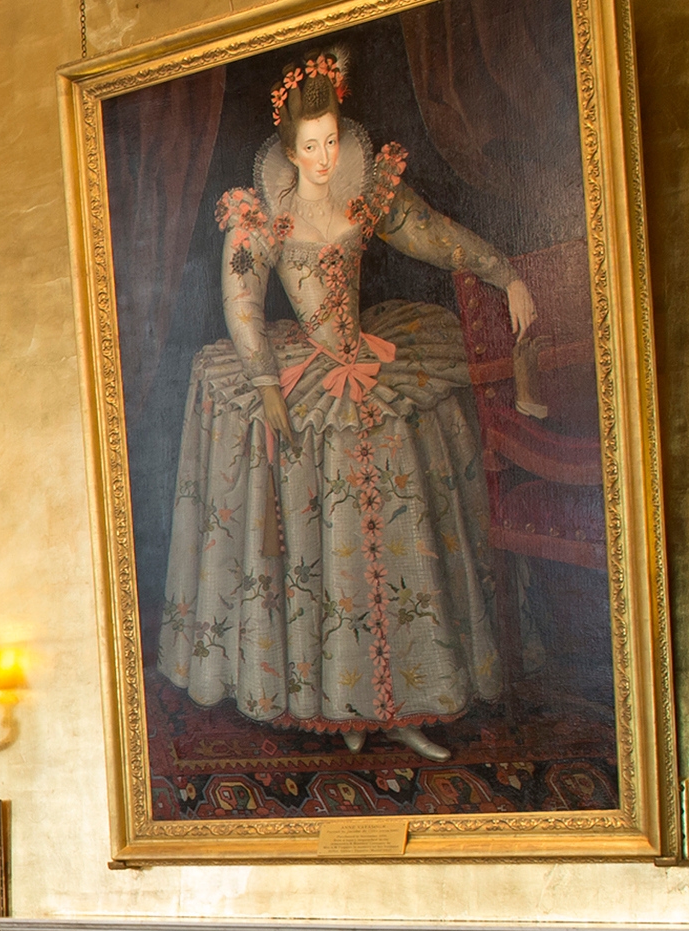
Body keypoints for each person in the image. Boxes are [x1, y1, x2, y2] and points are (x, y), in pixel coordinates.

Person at [157, 46, 532, 762]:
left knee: (393, 535)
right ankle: (345, 707)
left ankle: (402, 705)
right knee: (329, 550)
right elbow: (241, 306)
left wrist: (504, 271)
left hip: (369, 359)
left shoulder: (364, 196)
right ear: (289, 149)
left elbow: (435, 236)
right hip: (304, 374)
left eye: (330, 141)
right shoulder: (261, 215)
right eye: (310, 146)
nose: (324, 157)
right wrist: (266, 383)